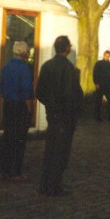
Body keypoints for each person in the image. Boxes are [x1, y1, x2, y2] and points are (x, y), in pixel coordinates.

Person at [35, 35, 83, 197]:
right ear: (67, 48)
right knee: (61, 152)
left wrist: (50, 104)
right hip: (65, 117)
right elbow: (72, 95)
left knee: (50, 150)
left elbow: (39, 92)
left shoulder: (47, 66)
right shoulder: (69, 69)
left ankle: (45, 185)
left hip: (52, 115)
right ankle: (54, 186)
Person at [0, 41, 34, 182]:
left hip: (8, 105)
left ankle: (3, 170)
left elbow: (1, 88)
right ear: (25, 53)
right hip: (20, 107)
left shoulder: (6, 67)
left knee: (7, 138)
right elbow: (27, 92)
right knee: (19, 140)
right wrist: (29, 110)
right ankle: (15, 172)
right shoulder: (24, 69)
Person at [93, 50, 110, 122]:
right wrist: (96, 83)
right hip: (100, 85)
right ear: (103, 55)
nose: (107, 57)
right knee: (98, 102)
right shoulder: (98, 64)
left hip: (107, 86)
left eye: (108, 56)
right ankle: (98, 117)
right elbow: (95, 74)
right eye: (106, 56)